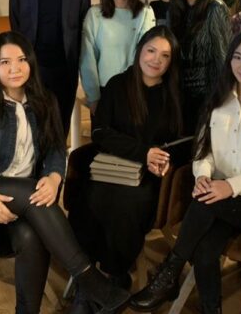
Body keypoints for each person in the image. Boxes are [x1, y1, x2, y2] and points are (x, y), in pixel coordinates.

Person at [0, 31, 130, 314]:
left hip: (23, 203)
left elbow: (55, 148)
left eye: (21, 60)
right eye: (5, 62)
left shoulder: (45, 101)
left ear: (31, 62)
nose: (15, 68)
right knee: (32, 193)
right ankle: (92, 282)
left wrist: (54, 177)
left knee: (30, 237)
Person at [130, 30, 241, 314]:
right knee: (205, 251)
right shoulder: (218, 100)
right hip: (219, 196)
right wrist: (203, 176)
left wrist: (230, 186)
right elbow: (202, 150)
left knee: (203, 203)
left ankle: (169, 273)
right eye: (237, 57)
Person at [70, 26, 183, 312]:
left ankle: (115, 275)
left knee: (127, 204)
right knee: (91, 198)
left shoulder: (174, 95)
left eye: (165, 56)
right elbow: (100, 132)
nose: (156, 60)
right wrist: (142, 152)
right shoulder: (118, 85)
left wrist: (163, 161)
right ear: (140, 50)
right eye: (151, 51)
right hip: (110, 168)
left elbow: (181, 144)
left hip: (148, 178)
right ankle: (88, 280)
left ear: (171, 61)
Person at [9, 0, 91, 136]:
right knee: (31, 127)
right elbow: (16, 30)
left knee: (61, 126)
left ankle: (59, 159)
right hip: (32, 68)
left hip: (65, 68)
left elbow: (84, 28)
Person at [79, 0, 156, 115]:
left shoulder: (145, 13)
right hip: (104, 91)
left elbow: (148, 54)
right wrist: (93, 96)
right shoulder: (95, 14)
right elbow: (87, 58)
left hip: (135, 90)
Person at [168, 0, 231, 135]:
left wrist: (217, 103)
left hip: (207, 98)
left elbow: (223, 59)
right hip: (179, 96)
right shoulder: (174, 9)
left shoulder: (215, 8)